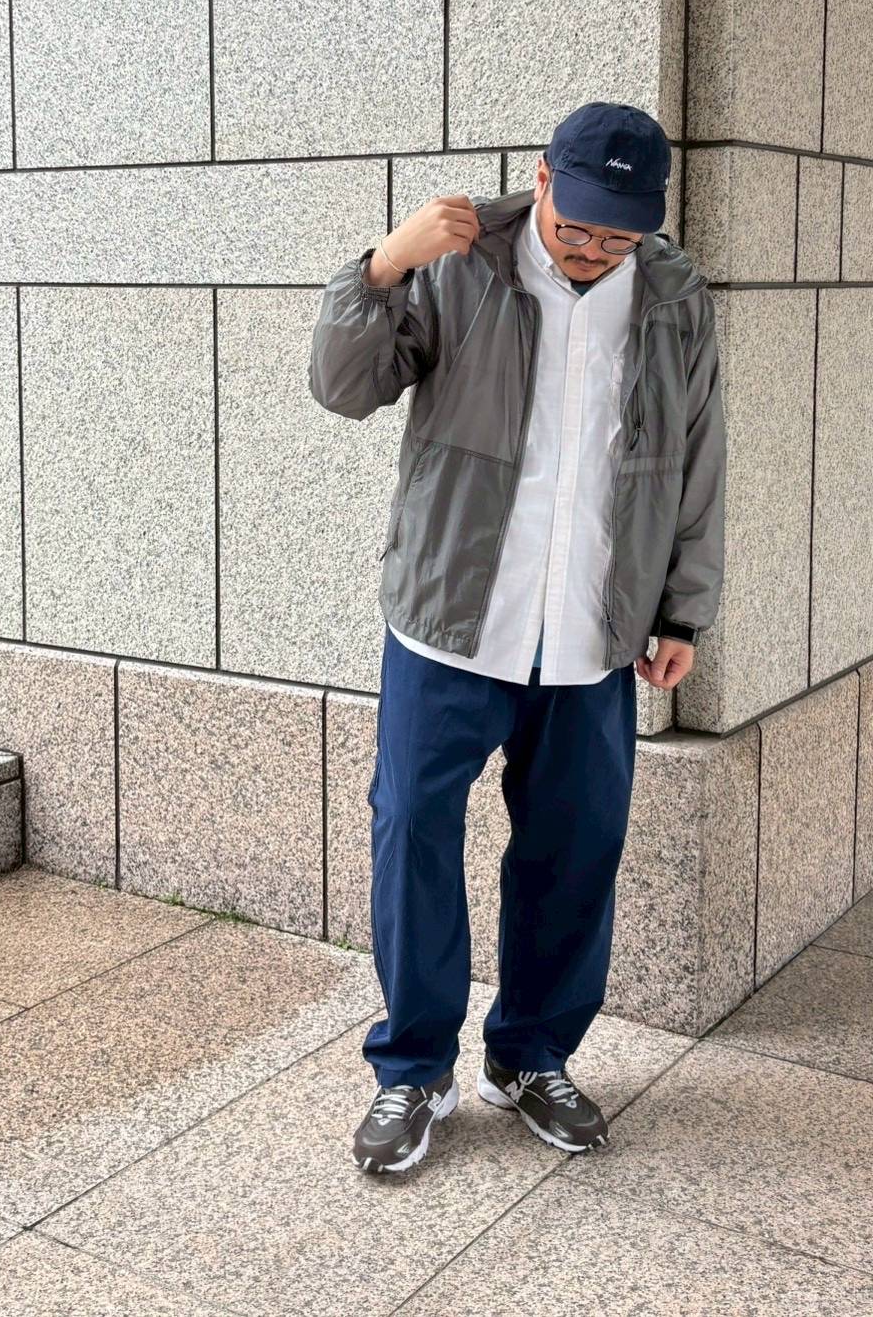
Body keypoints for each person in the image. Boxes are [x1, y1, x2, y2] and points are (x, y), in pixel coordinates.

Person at [308, 101, 726, 1176]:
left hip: (593, 632)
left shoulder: (674, 296)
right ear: (541, 179)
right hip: (453, 622)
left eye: (618, 236)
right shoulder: (461, 263)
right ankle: (414, 1068)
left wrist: (681, 609)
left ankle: (531, 1055)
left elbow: (697, 455)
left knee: (577, 847)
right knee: (413, 832)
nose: (592, 251)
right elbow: (342, 388)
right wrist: (384, 265)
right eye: (577, 226)